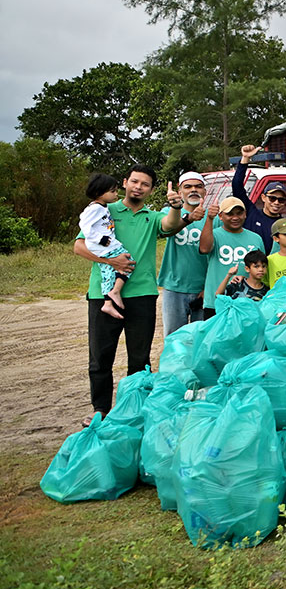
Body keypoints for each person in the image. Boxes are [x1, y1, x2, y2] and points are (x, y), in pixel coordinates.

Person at [73, 165, 184, 421]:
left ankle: (134, 409)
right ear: (124, 182)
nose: (138, 187)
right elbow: (79, 247)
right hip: (102, 295)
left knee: (139, 357)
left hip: (142, 294)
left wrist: (176, 207)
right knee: (100, 357)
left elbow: (170, 224)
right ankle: (100, 410)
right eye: (134, 181)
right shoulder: (104, 210)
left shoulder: (152, 216)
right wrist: (113, 263)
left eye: (145, 184)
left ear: (151, 190)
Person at [159, 171, 210, 334]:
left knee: (200, 338)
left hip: (202, 288)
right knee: (174, 337)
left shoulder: (213, 218)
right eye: (188, 187)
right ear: (180, 192)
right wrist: (188, 217)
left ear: (205, 192)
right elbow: (166, 231)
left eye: (198, 186)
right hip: (174, 287)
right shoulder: (168, 213)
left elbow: (214, 255)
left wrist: (208, 287)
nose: (193, 190)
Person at [199, 197, 265, 318]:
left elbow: (262, 268)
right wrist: (209, 218)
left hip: (246, 305)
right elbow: (204, 249)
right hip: (216, 303)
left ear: (245, 214)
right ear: (221, 216)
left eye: (239, 213)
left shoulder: (256, 238)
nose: (235, 218)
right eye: (229, 214)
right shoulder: (214, 235)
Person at [79, 174, 129, 319]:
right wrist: (100, 239)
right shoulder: (95, 208)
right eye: (112, 191)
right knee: (128, 262)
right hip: (103, 245)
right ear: (98, 193)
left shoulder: (102, 207)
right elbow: (84, 226)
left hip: (105, 244)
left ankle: (108, 302)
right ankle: (114, 292)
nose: (115, 194)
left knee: (108, 270)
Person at [234, 144, 286, 251]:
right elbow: (237, 186)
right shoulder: (250, 212)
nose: (276, 202)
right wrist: (245, 158)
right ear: (263, 197)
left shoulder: (284, 224)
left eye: (281, 200)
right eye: (272, 198)